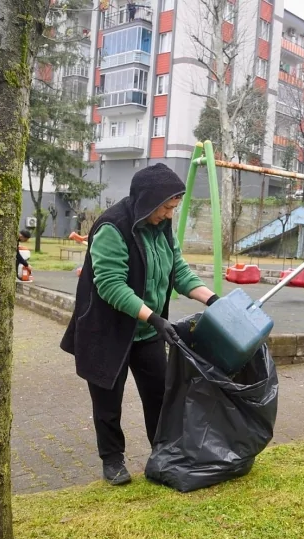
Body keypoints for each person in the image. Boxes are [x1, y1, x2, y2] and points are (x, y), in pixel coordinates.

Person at [60, 163, 218, 485]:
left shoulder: (161, 228)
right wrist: (155, 317)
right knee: (108, 401)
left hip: (146, 331)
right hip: (107, 331)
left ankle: (164, 452)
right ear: (148, 201)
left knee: (160, 394)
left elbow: (179, 272)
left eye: (174, 208)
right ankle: (112, 460)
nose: (170, 215)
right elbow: (111, 286)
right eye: (167, 207)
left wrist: (213, 300)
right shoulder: (112, 227)